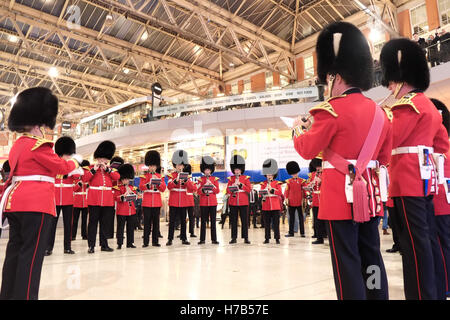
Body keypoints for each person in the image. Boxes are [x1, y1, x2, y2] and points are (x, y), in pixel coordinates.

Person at [293, 22, 392, 300]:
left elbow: (306, 149)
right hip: (370, 197)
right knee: (371, 256)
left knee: (346, 261)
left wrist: (297, 128)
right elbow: (383, 158)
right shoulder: (380, 114)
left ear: (335, 76)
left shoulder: (330, 111)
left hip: (340, 198)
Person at [380, 38, 449, 300]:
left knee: (414, 248)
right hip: (424, 183)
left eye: (390, 81)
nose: (389, 87)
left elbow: (388, 142)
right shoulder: (429, 106)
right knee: (428, 242)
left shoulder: (407, 107)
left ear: (399, 79)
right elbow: (442, 145)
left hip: (406, 183)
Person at [0, 87, 81, 300]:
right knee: (31, 257)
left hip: (16, 204)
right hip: (36, 205)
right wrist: (76, 161)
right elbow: (62, 168)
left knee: (14, 254)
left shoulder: (18, 145)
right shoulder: (39, 145)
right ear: (38, 123)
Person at [82, 140, 120, 253]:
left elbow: (117, 177)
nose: (103, 161)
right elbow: (84, 179)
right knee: (93, 223)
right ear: (97, 158)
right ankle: (91, 246)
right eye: (101, 158)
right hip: (94, 199)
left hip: (107, 200)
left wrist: (107, 169)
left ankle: (104, 245)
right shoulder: (90, 168)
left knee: (105, 224)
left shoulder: (111, 170)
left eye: (105, 159)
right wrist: (94, 170)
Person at [430, 98, 450, 297]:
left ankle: (444, 285)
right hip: (444, 201)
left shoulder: (440, 149)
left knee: (441, 244)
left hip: (439, 200)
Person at [46, 136, 79, 255]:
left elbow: (78, 176)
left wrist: (72, 169)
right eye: (68, 154)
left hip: (68, 199)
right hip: (55, 198)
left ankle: (67, 247)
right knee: (51, 225)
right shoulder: (54, 161)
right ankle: (48, 247)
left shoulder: (71, 164)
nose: (69, 156)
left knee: (68, 225)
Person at [166, 150, 196, 245]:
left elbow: (192, 188)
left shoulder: (187, 176)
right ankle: (170, 239)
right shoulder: (171, 175)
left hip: (184, 201)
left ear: (184, 166)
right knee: (172, 222)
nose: (180, 167)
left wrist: (186, 181)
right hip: (174, 201)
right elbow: (169, 186)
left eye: (181, 165)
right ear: (175, 165)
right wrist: (176, 179)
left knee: (183, 221)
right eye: (178, 165)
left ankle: (184, 238)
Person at [139, 150, 166, 247]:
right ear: (148, 166)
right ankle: (145, 242)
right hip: (147, 202)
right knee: (146, 223)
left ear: (156, 166)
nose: (152, 167)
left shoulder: (160, 176)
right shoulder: (144, 176)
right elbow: (141, 187)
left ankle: (155, 241)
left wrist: (158, 181)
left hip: (157, 202)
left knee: (156, 223)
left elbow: (163, 189)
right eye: (150, 166)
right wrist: (149, 183)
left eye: (154, 166)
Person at [226, 155, 251, 244]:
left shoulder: (245, 178)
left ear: (241, 170)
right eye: (235, 170)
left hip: (243, 202)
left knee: (244, 221)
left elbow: (249, 189)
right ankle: (234, 237)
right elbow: (227, 190)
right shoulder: (231, 179)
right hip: (233, 202)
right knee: (234, 221)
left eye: (238, 170)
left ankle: (246, 237)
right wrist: (233, 186)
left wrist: (241, 185)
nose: (236, 171)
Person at [196, 156, 220, 245]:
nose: (207, 172)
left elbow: (217, 191)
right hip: (203, 203)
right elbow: (198, 191)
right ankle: (202, 239)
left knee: (213, 222)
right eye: (206, 170)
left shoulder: (215, 179)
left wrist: (212, 185)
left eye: (209, 170)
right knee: (203, 222)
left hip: (213, 203)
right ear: (203, 170)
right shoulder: (200, 180)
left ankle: (214, 239)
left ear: (211, 170)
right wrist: (203, 187)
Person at [113, 164, 137, 249]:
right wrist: (123, 195)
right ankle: (119, 243)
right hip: (121, 211)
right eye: (124, 179)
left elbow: (136, 197)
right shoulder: (117, 188)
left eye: (127, 179)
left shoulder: (132, 187)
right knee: (120, 228)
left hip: (131, 210)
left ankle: (130, 243)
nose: (126, 181)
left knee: (130, 228)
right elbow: (116, 197)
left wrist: (132, 193)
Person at [260, 159, 283, 244]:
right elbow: (260, 194)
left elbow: (280, 193)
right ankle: (267, 238)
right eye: (268, 174)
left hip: (275, 206)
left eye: (270, 174)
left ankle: (277, 238)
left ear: (273, 175)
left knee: (276, 224)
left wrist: (272, 190)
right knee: (267, 224)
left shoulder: (277, 183)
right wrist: (265, 190)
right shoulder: (263, 184)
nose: (269, 176)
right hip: (266, 206)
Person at [284, 161, 306, 238]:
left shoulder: (302, 181)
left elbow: (304, 190)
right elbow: (286, 191)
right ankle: (291, 232)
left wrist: (306, 198)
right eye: (293, 173)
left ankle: (302, 233)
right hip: (291, 202)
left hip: (300, 202)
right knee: (291, 218)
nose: (294, 174)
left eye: (295, 173)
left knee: (301, 218)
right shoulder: (289, 181)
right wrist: (286, 198)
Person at [307, 158, 325, 244]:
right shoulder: (313, 175)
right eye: (317, 168)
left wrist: (322, 181)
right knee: (317, 220)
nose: (318, 169)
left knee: (324, 220)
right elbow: (309, 185)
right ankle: (319, 237)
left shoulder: (326, 173)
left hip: (323, 199)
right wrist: (311, 184)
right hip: (316, 200)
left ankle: (325, 235)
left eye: (319, 168)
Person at [72, 160, 90, 240]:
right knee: (75, 220)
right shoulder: (75, 178)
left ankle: (84, 234)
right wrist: (79, 184)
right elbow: (73, 189)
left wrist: (87, 185)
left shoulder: (87, 179)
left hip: (85, 202)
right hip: (76, 202)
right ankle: (73, 235)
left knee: (84, 220)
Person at [183, 164, 197, 238]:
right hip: (184, 200)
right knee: (183, 218)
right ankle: (183, 232)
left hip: (190, 200)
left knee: (192, 217)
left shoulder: (191, 180)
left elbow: (194, 188)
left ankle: (192, 232)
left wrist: (187, 181)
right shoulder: (183, 179)